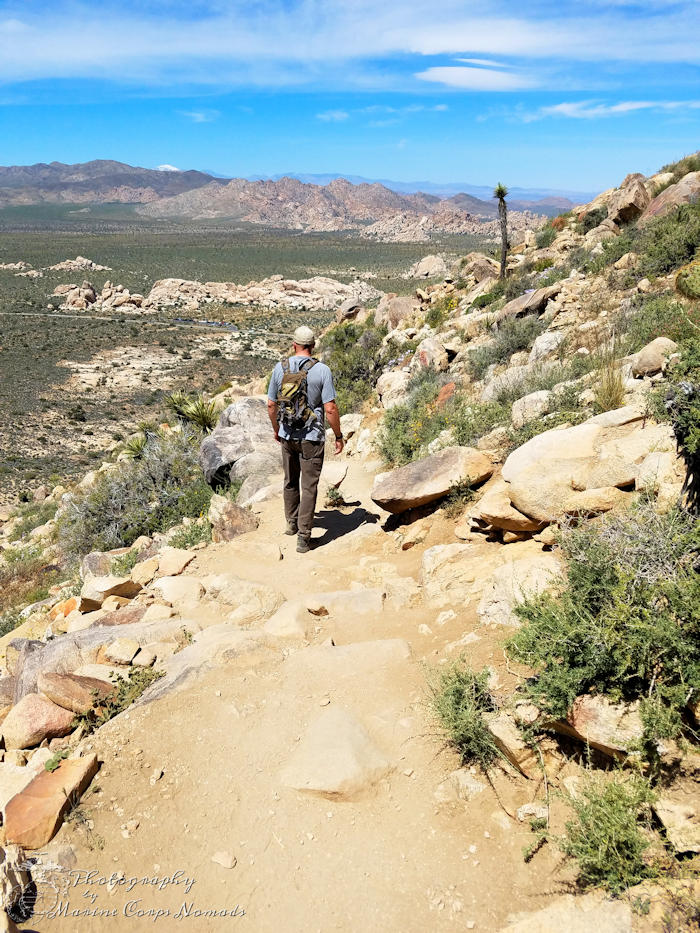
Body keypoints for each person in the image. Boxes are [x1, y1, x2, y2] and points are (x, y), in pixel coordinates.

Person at [266, 325, 344, 553]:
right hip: (312, 436)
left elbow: (271, 405)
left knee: (290, 481)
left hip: (288, 433)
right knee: (309, 487)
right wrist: (338, 435)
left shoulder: (279, 369)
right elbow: (330, 408)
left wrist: (276, 429)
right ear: (313, 346)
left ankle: (291, 524)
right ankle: (304, 537)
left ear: (294, 345)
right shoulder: (322, 370)